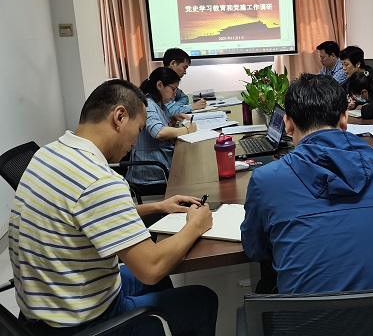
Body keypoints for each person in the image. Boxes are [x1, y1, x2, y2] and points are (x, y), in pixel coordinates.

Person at [9, 79, 218, 336]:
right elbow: (151, 268)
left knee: (162, 279)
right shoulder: (99, 179)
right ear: (119, 117)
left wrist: (158, 206)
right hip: (83, 323)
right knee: (203, 300)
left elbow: (83, 215)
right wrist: (195, 226)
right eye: (138, 129)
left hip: (45, 311)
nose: (136, 142)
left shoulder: (48, 154)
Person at [241, 73, 373, 294]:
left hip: (305, 316)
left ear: (288, 124)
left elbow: (256, 250)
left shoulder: (265, 180)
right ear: (344, 120)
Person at [126, 67, 197, 193]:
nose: (174, 94)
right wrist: (187, 130)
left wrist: (173, 119)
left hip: (158, 164)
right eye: (173, 89)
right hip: (150, 174)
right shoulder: (148, 104)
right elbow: (158, 132)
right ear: (159, 85)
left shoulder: (158, 104)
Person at [163, 47, 207, 115]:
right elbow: (168, 112)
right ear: (173, 63)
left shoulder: (171, 83)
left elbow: (184, 97)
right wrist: (192, 107)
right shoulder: (162, 83)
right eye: (184, 67)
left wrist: (175, 107)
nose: (185, 72)